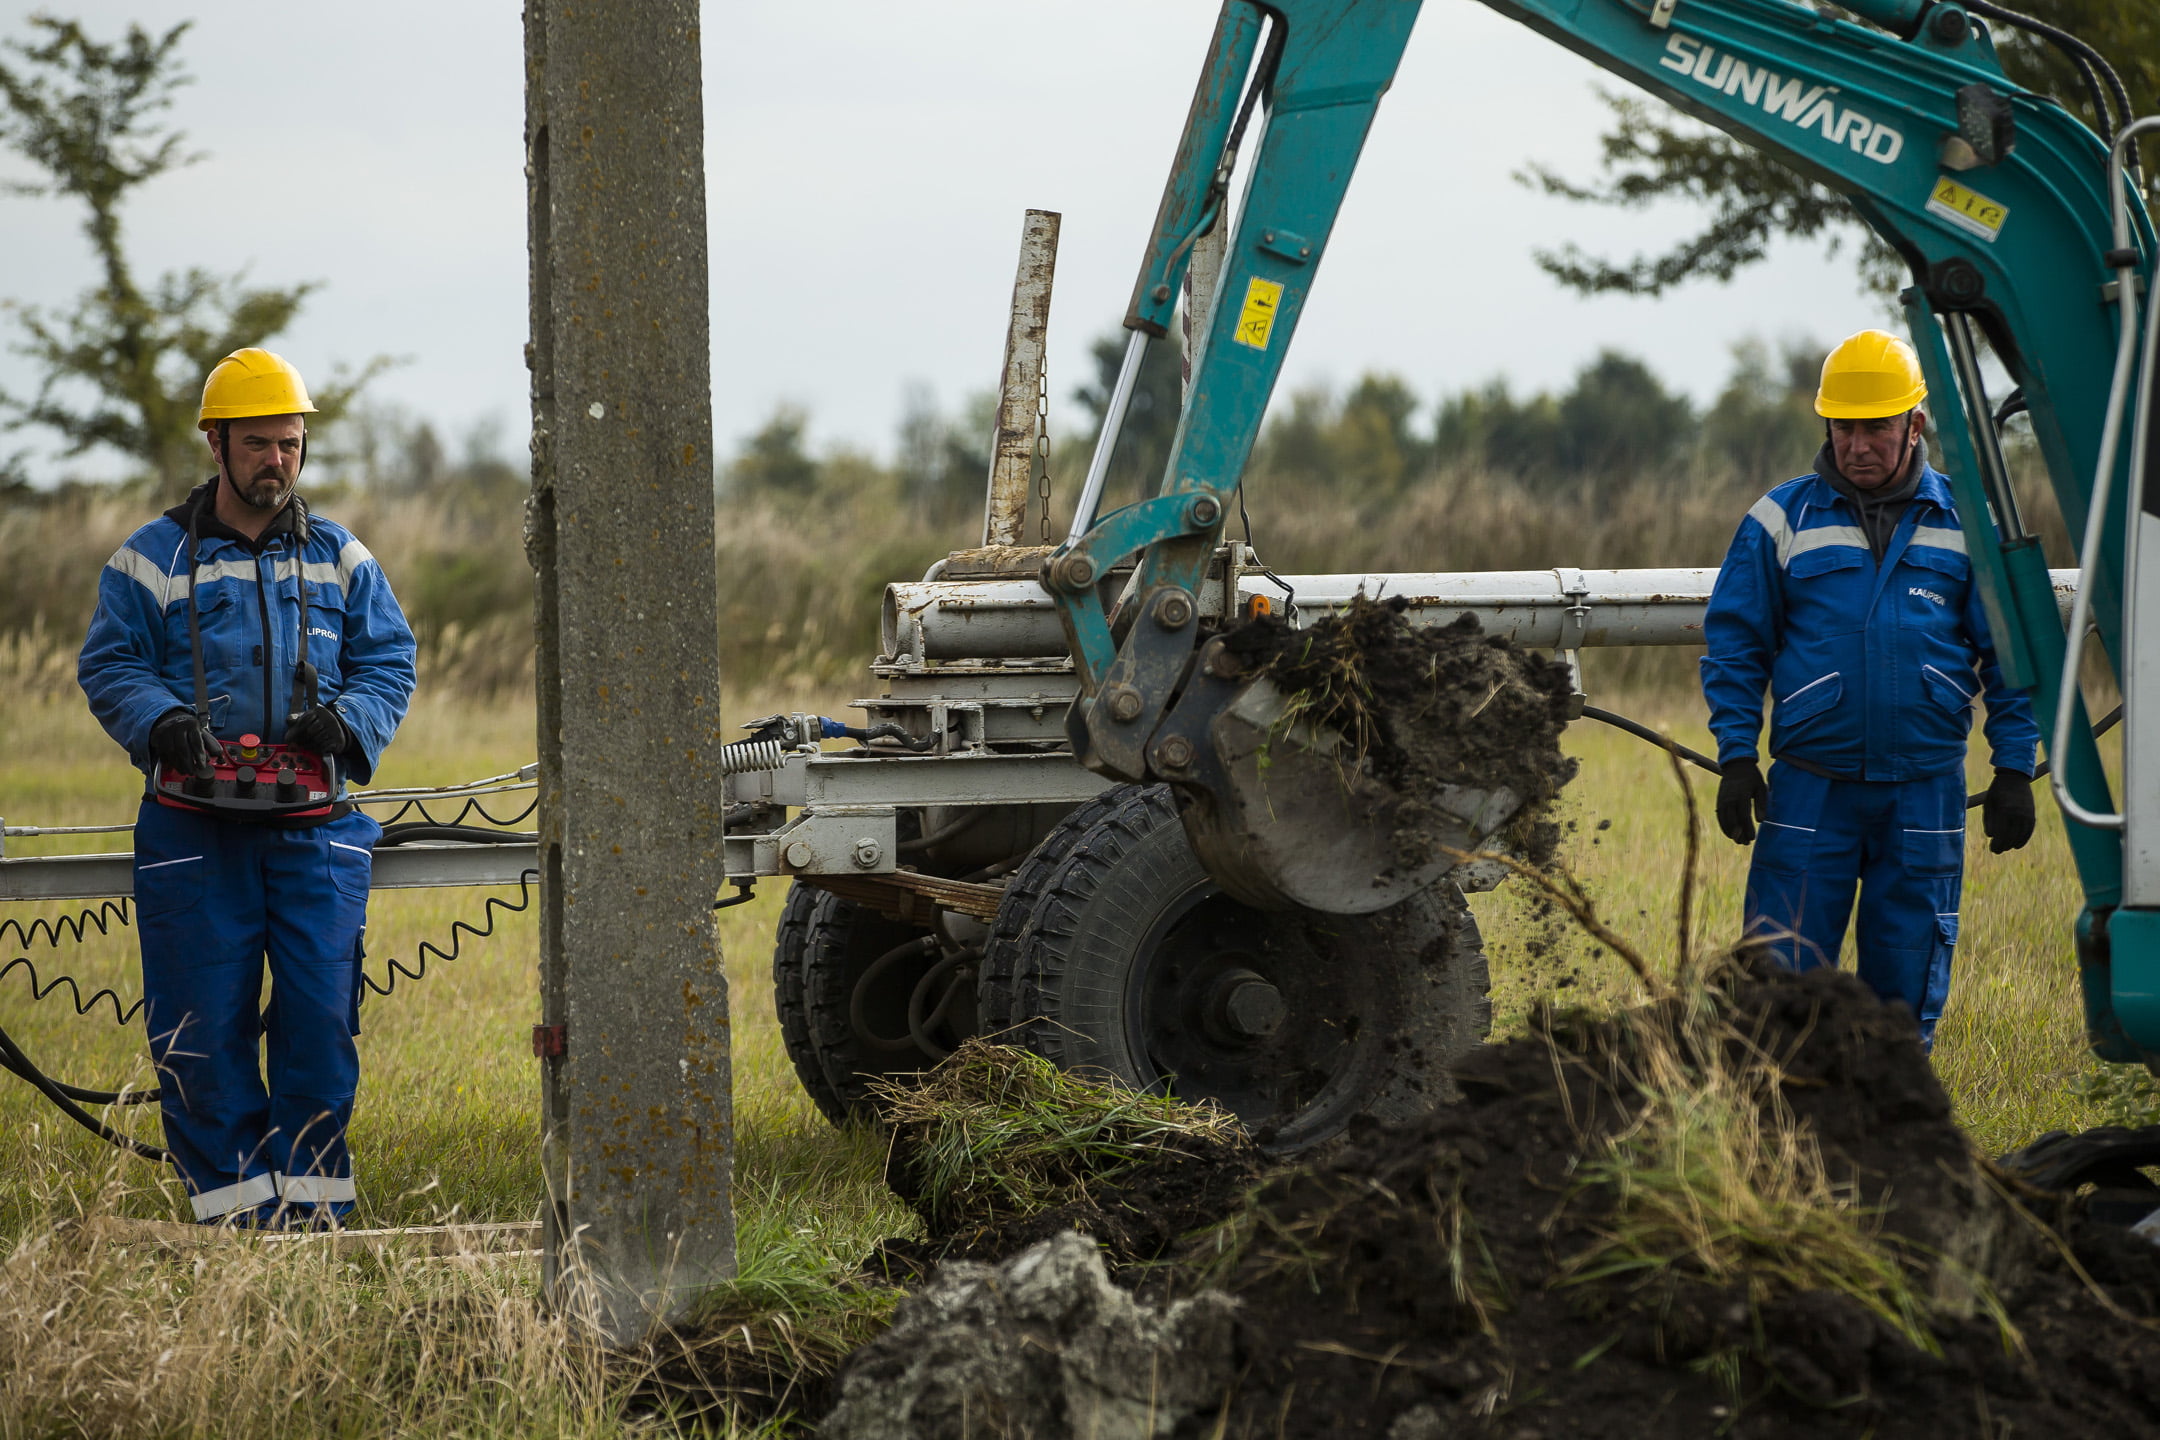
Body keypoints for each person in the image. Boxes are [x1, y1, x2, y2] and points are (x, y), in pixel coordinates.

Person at [79, 348, 416, 1226]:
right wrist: (160, 722)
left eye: (292, 445)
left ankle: (311, 1223)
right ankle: (233, 1226)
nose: (278, 462)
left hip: (317, 833)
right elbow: (110, 662)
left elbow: (390, 658)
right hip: (193, 835)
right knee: (199, 1032)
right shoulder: (150, 559)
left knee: (318, 1026)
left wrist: (348, 725)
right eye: (260, 444)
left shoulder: (343, 557)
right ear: (218, 444)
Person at [1700, 329, 2038, 1047]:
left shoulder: (1967, 523)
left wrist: (2013, 767)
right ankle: (1778, 1138)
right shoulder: (1778, 521)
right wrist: (1736, 755)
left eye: (1875, 427)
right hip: (1810, 790)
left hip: (1924, 791)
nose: (1857, 444)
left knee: (1906, 991)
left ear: (1914, 424)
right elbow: (1735, 645)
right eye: (1844, 426)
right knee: (1778, 988)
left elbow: (2010, 656)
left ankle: (1890, 1139)